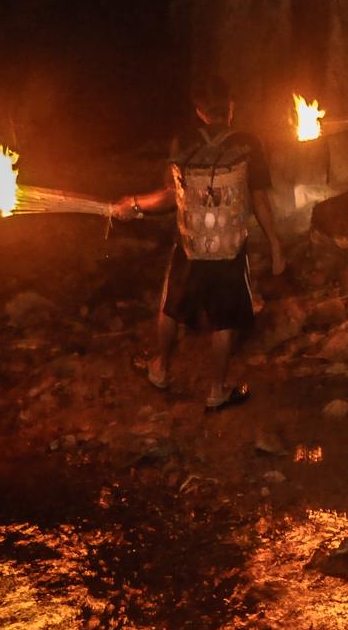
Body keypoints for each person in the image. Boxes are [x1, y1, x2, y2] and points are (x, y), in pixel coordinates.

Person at [115, 75, 284, 411]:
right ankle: (217, 390)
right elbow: (259, 199)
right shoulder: (249, 142)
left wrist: (134, 204)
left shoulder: (183, 141)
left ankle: (160, 369)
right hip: (229, 248)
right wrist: (276, 245)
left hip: (190, 245)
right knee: (225, 319)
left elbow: (170, 196)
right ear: (230, 106)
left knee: (171, 308)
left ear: (200, 111)